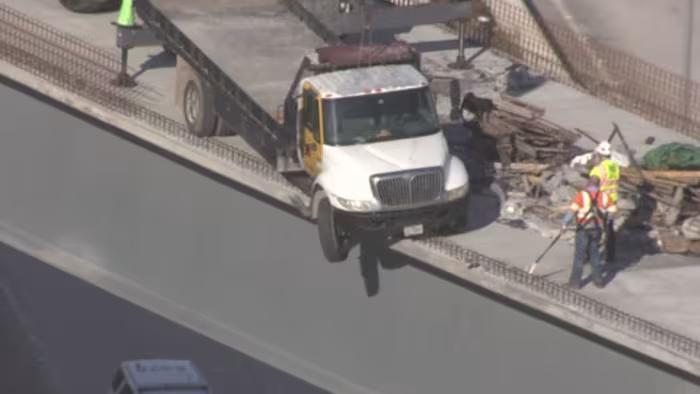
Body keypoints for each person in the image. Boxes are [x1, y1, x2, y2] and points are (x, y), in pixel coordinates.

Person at [561, 176, 617, 289]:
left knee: (579, 257)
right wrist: (605, 221)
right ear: (599, 185)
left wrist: (564, 223)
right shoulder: (605, 196)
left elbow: (572, 211)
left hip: (583, 228)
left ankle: (574, 283)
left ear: (588, 184)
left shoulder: (582, 195)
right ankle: (599, 281)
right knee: (595, 254)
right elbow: (612, 212)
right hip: (597, 230)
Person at [588, 141, 620, 262]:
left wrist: (588, 201)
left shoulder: (598, 169)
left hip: (600, 203)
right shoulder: (614, 166)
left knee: (593, 229)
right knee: (609, 228)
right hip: (612, 201)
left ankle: (590, 255)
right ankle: (610, 256)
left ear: (599, 154)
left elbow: (592, 186)